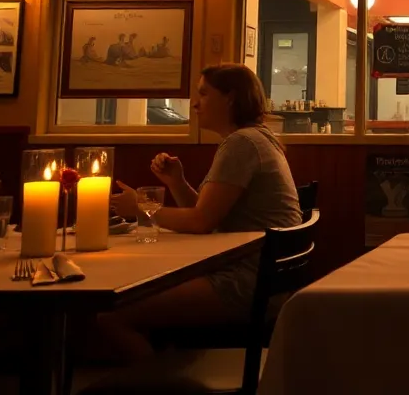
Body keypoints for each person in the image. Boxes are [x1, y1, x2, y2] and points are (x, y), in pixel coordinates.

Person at [100, 63, 302, 362]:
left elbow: (200, 222)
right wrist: (177, 182)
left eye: (204, 94)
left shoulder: (242, 143)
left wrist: (142, 209)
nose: (195, 103)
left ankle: (155, 386)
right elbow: (207, 216)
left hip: (246, 283)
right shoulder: (255, 138)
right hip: (263, 278)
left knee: (107, 316)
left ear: (230, 98)